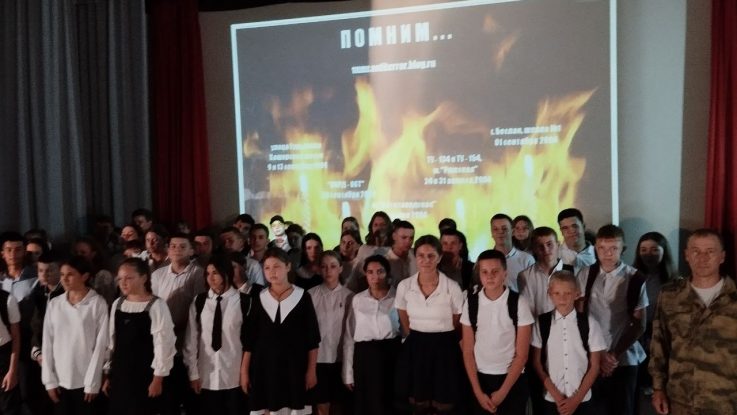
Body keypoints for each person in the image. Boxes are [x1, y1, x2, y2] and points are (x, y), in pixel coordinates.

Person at [649, 229, 737, 414]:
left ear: (722, 256)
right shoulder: (670, 295)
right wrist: (658, 388)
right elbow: (659, 345)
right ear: (687, 255)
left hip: (727, 401)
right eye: (696, 251)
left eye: (710, 251)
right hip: (680, 400)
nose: (702, 258)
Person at [576, 225, 647, 415]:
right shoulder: (585, 274)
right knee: (594, 409)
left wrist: (613, 356)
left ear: (623, 249)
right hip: (592, 355)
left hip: (624, 357)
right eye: (602, 248)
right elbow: (580, 316)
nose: (607, 253)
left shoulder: (635, 277)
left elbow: (639, 324)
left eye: (613, 248)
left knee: (623, 408)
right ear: (595, 248)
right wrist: (599, 354)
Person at [241, 247, 320, 415]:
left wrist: (311, 370)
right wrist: (244, 371)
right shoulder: (259, 297)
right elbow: (250, 340)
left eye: (276, 266)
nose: (272, 272)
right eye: (267, 267)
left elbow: (312, 339)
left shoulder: (302, 297)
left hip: (294, 367)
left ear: (288, 267)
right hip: (264, 367)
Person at [394, 235, 464, 414]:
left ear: (439, 257)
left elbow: (457, 319)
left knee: (443, 402)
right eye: (421, 255)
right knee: (418, 401)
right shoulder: (404, 286)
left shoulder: (452, 287)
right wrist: (416, 336)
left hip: (444, 348)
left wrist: (440, 334)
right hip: (416, 347)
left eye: (431, 255)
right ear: (415, 257)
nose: (426, 260)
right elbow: (403, 316)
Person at [461, 249, 533, 415]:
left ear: (505, 273)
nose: (490, 276)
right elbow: (467, 351)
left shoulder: (518, 303)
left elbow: (522, 355)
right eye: (484, 272)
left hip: (511, 379)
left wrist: (502, 392)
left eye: (495, 271)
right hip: (480, 379)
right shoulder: (471, 303)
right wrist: (478, 392)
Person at [103, 257, 176, 415]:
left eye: (129, 278)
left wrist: (157, 379)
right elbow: (112, 343)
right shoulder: (117, 304)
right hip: (121, 374)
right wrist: (108, 374)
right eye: (120, 279)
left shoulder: (157, 306)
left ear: (143, 278)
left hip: (145, 375)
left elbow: (164, 345)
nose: (123, 283)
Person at [531, 271, 606, 415]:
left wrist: (576, 400)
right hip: (551, 399)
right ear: (549, 293)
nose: (562, 298)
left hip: (582, 399)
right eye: (557, 293)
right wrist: (557, 397)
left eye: (567, 293)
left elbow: (595, 366)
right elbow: (537, 363)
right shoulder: (541, 323)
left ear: (577, 294)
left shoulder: (590, 323)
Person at [41, 256, 109, 415]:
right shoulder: (55, 303)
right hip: (60, 380)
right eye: (62, 274)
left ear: (84, 276)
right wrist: (49, 380)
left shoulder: (97, 303)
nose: (64, 279)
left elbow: (101, 345)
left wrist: (93, 383)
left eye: (70, 274)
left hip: (85, 381)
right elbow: (47, 342)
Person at [183, 255, 247, 414]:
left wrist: (245, 373)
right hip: (206, 375)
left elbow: (249, 342)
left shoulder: (243, 301)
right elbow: (191, 340)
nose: (210, 278)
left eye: (215, 273)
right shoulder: (200, 301)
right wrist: (193, 374)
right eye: (208, 273)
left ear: (226, 273)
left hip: (234, 375)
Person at [150, 233, 205, 415]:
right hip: (163, 344)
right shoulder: (158, 275)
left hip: (187, 343)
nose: (176, 250)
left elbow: (198, 307)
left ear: (191, 250)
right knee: (168, 400)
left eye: (182, 246)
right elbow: (153, 306)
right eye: (173, 246)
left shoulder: (198, 274)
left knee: (190, 399)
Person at [342, 255, 400, 415]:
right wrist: (348, 374)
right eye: (370, 272)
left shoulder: (397, 298)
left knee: (389, 404)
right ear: (365, 274)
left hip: (391, 356)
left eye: (380, 271)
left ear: (387, 273)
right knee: (366, 404)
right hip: (365, 358)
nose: (375, 276)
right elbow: (349, 337)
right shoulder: (358, 299)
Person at [631, 232, 677, 396]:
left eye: (654, 250)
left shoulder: (674, 281)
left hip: (663, 336)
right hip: (637, 335)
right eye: (643, 250)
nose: (648, 254)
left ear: (664, 251)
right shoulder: (631, 277)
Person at [308, 251, 353, 415]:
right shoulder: (310, 295)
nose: (328, 271)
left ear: (340, 268)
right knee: (321, 405)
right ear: (319, 269)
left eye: (333, 266)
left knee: (339, 405)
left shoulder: (350, 296)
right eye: (324, 266)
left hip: (341, 359)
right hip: (318, 360)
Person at [349, 220, 416, 292]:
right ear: (394, 236)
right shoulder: (382, 260)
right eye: (404, 237)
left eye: (411, 238)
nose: (408, 241)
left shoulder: (417, 256)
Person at [490, 213, 535, 293]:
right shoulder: (484, 259)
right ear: (491, 233)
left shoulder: (527, 259)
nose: (500, 232)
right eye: (495, 229)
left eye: (504, 229)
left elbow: (534, 290)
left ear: (513, 231)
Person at [74, 236, 117, 307]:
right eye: (76, 253)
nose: (78, 256)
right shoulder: (72, 273)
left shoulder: (103, 275)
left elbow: (105, 302)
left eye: (83, 253)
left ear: (93, 254)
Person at [557, 209, 595, 274]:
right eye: (565, 228)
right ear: (561, 231)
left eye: (575, 226)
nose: (571, 231)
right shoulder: (555, 255)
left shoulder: (598, 254)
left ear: (583, 226)